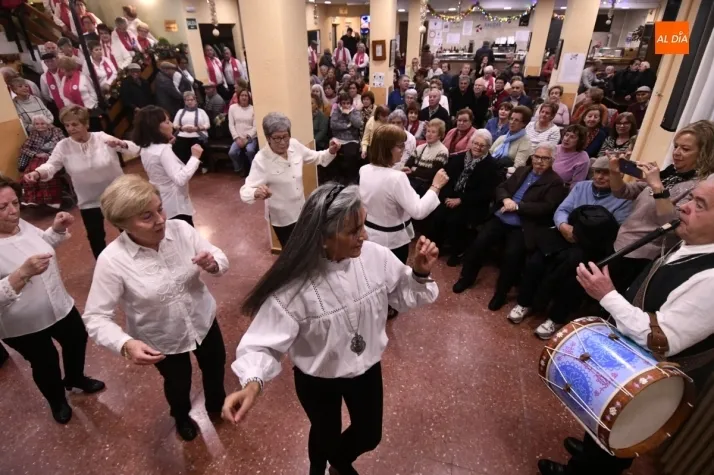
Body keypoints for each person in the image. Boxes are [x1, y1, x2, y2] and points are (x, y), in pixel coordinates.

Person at [224, 182, 439, 475]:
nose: (365, 236)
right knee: (324, 432)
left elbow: (402, 293)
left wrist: (420, 273)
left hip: (365, 368)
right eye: (353, 231)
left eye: (363, 225)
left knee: (369, 434)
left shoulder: (374, 256)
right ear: (323, 238)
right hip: (318, 377)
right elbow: (263, 343)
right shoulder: (293, 287)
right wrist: (252, 383)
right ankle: (317, 468)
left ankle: (336, 463)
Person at [538, 178, 714, 475]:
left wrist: (606, 295)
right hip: (632, 368)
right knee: (604, 419)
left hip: (650, 387)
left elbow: (660, 339)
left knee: (616, 440)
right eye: (691, 199)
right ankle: (591, 449)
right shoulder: (693, 243)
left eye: (700, 205)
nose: (683, 207)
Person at [83, 174, 228, 442]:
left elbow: (217, 255)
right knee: (178, 382)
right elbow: (96, 317)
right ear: (122, 224)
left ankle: (216, 405)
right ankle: (182, 416)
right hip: (162, 337)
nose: (161, 220)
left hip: (202, 319)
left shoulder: (181, 229)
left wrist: (213, 263)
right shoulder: (112, 260)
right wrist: (125, 344)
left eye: (160, 209)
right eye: (147, 217)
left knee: (215, 365)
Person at [0, 178, 105, 423]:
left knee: (77, 338)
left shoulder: (20, 224)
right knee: (44, 362)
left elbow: (41, 246)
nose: (13, 211)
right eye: (2, 207)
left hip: (58, 304)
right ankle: (57, 400)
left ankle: (75, 378)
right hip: (23, 323)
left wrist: (56, 231)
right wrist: (21, 274)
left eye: (15, 203)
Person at [507, 156, 633, 338]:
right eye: (597, 172)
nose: (600, 177)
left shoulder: (624, 199)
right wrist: (563, 225)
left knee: (574, 276)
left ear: (618, 175)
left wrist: (582, 234)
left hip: (591, 244)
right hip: (565, 233)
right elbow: (562, 209)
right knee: (536, 261)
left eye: (606, 173)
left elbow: (614, 228)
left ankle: (556, 318)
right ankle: (524, 303)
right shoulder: (581, 187)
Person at [453, 143, 566, 309]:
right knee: (479, 243)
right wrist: (506, 199)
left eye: (545, 158)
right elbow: (501, 187)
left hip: (523, 225)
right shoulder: (522, 170)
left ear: (552, 160)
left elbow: (547, 207)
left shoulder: (555, 182)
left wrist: (518, 207)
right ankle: (467, 278)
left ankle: (501, 293)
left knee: (512, 256)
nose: (539, 161)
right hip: (501, 216)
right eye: (537, 156)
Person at [606, 120, 714, 294]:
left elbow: (673, 225)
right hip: (623, 243)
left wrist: (657, 186)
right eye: (676, 146)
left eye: (685, 149)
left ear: (704, 153)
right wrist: (614, 172)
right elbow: (622, 192)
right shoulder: (670, 174)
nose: (676, 153)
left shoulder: (699, 186)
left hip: (644, 255)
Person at [23, 106, 138, 259]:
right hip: (89, 200)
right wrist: (37, 173)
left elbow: (134, 149)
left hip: (116, 195)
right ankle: (103, 264)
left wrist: (121, 144)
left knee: (128, 229)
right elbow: (51, 165)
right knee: (95, 236)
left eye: (75, 124)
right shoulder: (63, 146)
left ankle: (138, 257)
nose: (71, 128)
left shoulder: (101, 137)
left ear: (86, 124)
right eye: (67, 125)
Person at [240, 113, 341, 246]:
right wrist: (255, 193)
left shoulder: (294, 145)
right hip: (283, 219)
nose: (283, 142)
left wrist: (331, 151)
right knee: (291, 251)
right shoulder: (261, 160)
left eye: (285, 136)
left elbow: (317, 157)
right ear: (268, 138)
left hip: (301, 211)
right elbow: (245, 191)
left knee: (306, 246)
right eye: (277, 138)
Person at [429, 129, 501, 265]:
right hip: (452, 196)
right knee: (438, 214)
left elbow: (486, 192)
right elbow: (447, 178)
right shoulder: (458, 158)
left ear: (488, 147)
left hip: (473, 202)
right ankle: (437, 246)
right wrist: (446, 197)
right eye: (475, 143)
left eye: (482, 145)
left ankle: (458, 251)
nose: (478, 147)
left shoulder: (491, 166)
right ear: (471, 143)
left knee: (455, 220)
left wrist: (461, 200)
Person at [132, 105, 202, 226]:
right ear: (156, 128)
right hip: (175, 203)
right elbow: (180, 179)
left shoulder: (146, 147)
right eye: (167, 122)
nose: (171, 125)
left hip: (161, 199)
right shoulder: (163, 150)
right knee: (183, 233)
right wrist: (195, 157)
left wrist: (167, 145)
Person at [18, 115, 67, 208]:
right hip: (39, 158)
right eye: (37, 124)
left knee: (46, 173)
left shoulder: (56, 131)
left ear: (48, 124)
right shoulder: (34, 134)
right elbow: (23, 148)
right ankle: (32, 199)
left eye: (42, 123)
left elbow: (65, 143)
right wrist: (36, 154)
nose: (40, 126)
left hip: (55, 157)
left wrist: (53, 153)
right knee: (30, 172)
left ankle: (51, 200)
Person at [404, 119, 449, 196]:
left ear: (440, 135)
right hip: (413, 184)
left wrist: (414, 170)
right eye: (428, 131)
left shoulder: (443, 151)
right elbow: (408, 165)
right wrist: (419, 171)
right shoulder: (420, 147)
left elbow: (432, 174)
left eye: (433, 132)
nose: (429, 134)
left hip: (427, 188)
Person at [490, 105, 533, 170]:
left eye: (516, 120)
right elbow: (489, 153)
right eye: (511, 119)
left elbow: (518, 166)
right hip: (490, 168)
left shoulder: (525, 141)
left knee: (506, 161)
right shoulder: (502, 138)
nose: (512, 122)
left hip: (506, 172)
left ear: (524, 124)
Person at [227, 89, 257, 175]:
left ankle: (254, 170)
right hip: (238, 137)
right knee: (232, 153)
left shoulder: (253, 109)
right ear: (238, 97)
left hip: (250, 137)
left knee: (250, 150)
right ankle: (239, 168)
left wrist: (247, 138)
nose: (244, 97)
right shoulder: (232, 108)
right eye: (242, 95)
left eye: (246, 96)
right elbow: (231, 125)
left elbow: (255, 126)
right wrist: (236, 138)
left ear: (249, 98)